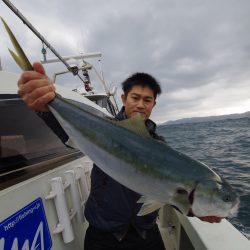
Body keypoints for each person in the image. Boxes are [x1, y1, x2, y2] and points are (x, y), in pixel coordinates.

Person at [18, 62, 222, 250]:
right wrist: (45, 108)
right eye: (135, 98)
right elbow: (69, 131)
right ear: (124, 99)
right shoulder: (103, 129)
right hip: (104, 235)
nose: (141, 104)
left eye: (147, 100)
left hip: (145, 234)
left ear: (153, 105)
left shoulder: (160, 147)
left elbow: (170, 191)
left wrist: (196, 209)